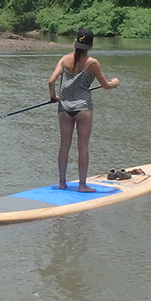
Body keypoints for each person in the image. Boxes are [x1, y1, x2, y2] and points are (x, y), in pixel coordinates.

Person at [48, 29, 119, 192]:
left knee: (64, 145)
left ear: (75, 42)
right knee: (83, 147)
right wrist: (115, 82)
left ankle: (61, 182)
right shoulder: (92, 63)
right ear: (91, 45)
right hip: (83, 108)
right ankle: (82, 185)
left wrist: (53, 97)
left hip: (64, 108)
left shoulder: (64, 60)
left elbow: (51, 81)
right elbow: (106, 86)